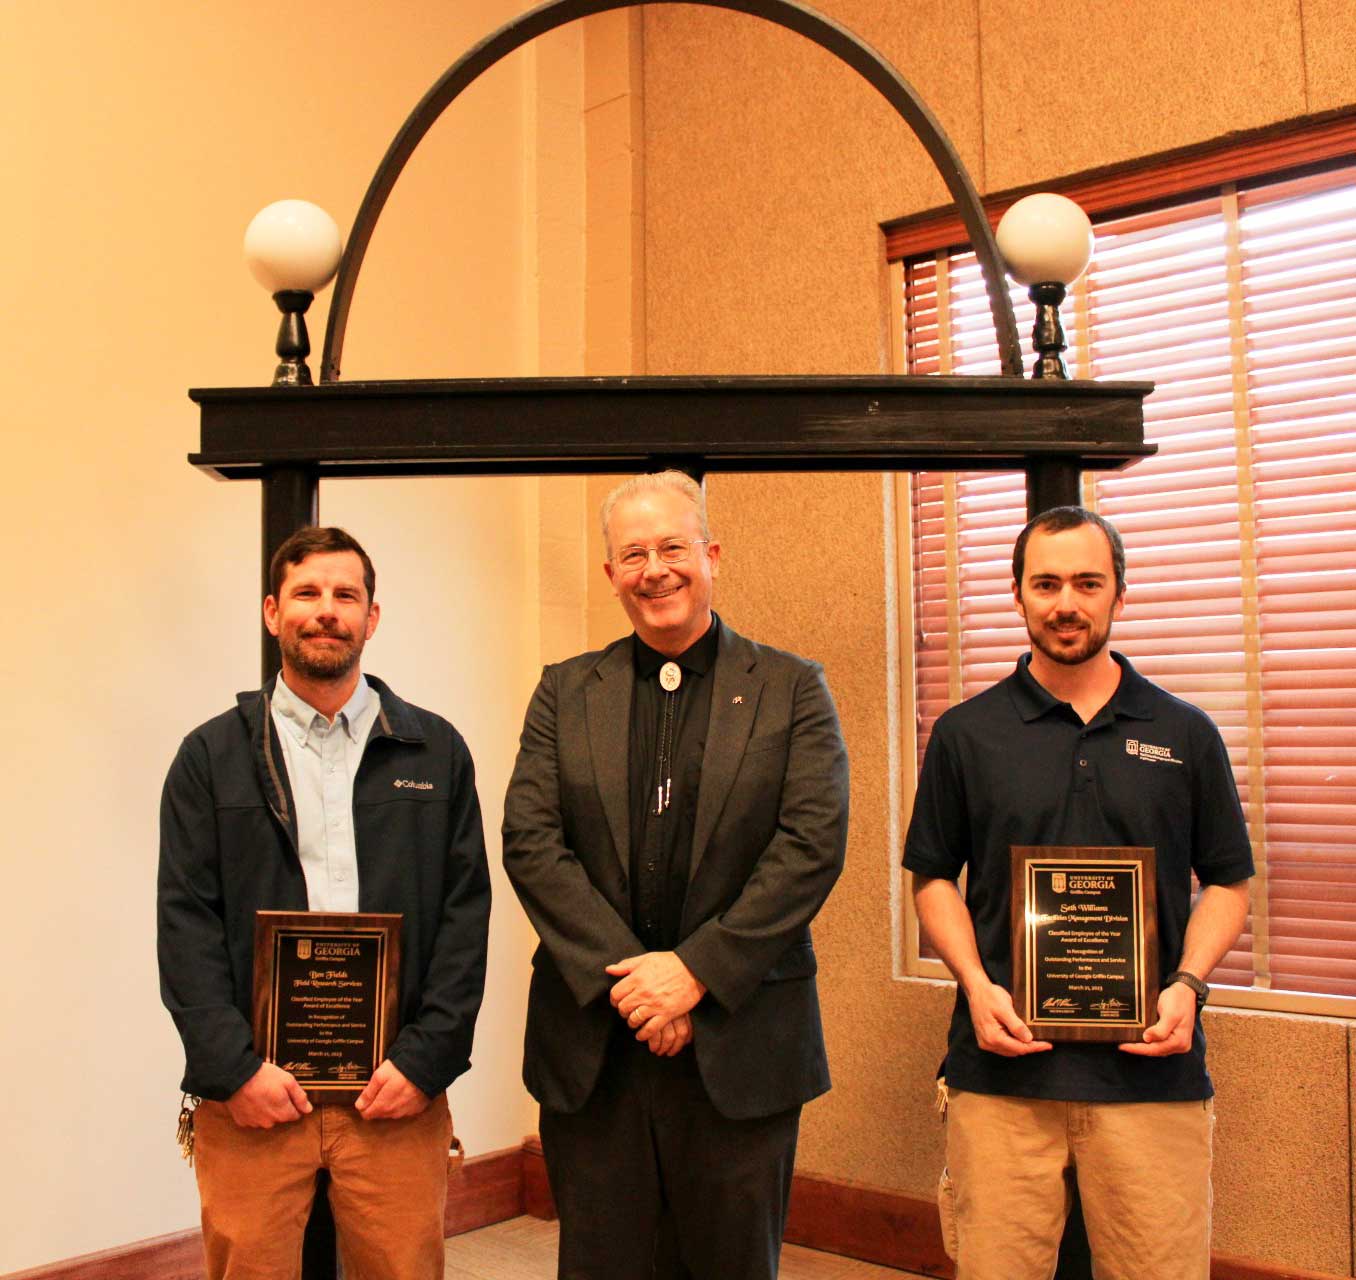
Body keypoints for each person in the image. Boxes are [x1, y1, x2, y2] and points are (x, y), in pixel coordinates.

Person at [503, 470, 849, 1280]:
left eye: (671, 547)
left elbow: (811, 845)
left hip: (740, 1039)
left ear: (712, 555)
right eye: (633, 554)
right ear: (610, 575)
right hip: (595, 1042)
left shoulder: (794, 688)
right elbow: (531, 840)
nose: (654, 569)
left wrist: (693, 975)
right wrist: (635, 986)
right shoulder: (563, 691)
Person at [904, 505, 1254, 1280]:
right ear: (1019, 595)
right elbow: (933, 878)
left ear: (1119, 595)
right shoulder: (966, 733)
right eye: (1048, 583)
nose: (1067, 602)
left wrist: (1188, 986)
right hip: (1002, 1074)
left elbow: (1230, 881)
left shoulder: (1186, 732)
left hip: (1152, 1075)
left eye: (1087, 582)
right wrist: (976, 984)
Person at [158, 526, 491, 1280]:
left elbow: (466, 919)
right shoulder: (210, 758)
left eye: (346, 595)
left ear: (373, 618)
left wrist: (426, 1059)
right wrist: (232, 1070)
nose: (326, 611)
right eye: (307, 593)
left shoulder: (436, 753)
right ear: (273, 613)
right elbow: (185, 925)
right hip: (253, 1096)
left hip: (393, 1092)